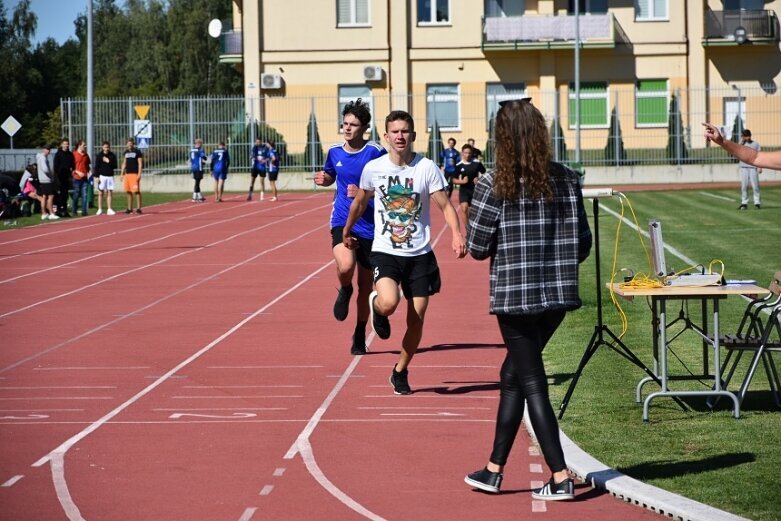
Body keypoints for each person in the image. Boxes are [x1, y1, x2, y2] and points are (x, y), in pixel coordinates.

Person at [463, 99, 592, 501]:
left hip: (516, 299)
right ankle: (493, 469)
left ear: (502, 138)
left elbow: (478, 247)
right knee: (512, 377)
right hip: (557, 298)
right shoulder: (568, 179)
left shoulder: (493, 184)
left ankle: (558, 476)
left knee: (532, 382)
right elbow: (583, 244)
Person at [343, 110, 467, 394]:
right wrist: (347, 229)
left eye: (405, 131)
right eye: (394, 132)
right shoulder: (374, 168)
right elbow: (361, 201)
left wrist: (457, 234)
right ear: (386, 137)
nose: (400, 136)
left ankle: (400, 370)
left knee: (416, 320)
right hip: (386, 250)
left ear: (412, 135)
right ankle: (378, 308)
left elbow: (446, 206)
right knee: (389, 302)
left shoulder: (426, 168)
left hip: (420, 254)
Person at [314, 98, 387, 355]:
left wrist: (365, 194)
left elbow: (390, 189)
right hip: (343, 221)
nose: (347, 128)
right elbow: (331, 174)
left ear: (364, 128)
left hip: (371, 226)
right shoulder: (334, 151)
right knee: (345, 266)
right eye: (345, 123)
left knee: (367, 288)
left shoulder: (376, 152)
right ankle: (345, 288)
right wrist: (324, 179)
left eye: (353, 124)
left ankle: (359, 332)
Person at [451, 143, 485, 226]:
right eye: (465, 153)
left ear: (472, 153)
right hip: (464, 190)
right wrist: (461, 182)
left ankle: (474, 226)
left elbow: (485, 174)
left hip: (475, 189)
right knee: (464, 208)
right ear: (462, 153)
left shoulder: (477, 163)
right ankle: (468, 229)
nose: (467, 155)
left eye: (469, 153)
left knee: (474, 211)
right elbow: (453, 179)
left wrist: (479, 179)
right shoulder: (459, 165)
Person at [120, 138, 144, 214]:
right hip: (127, 174)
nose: (130, 145)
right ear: (127, 144)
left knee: (136, 191)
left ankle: (139, 208)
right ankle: (129, 208)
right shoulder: (126, 153)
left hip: (135, 174)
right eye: (128, 143)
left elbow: (140, 163)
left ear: (133, 144)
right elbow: (124, 163)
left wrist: (139, 174)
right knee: (128, 191)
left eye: (131, 143)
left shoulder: (137, 152)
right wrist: (122, 173)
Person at [94, 141, 118, 215]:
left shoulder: (112, 155)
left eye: (107, 147)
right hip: (102, 176)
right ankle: (100, 209)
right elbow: (96, 167)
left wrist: (108, 161)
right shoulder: (99, 155)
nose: (106, 149)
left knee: (109, 192)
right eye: (105, 147)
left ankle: (109, 208)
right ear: (102, 147)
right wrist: (96, 176)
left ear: (109, 147)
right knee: (100, 192)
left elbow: (115, 166)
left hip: (110, 176)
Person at [53, 138, 74, 217]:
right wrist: (56, 178)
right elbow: (55, 167)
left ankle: (65, 210)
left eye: (67, 144)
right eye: (65, 144)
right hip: (59, 177)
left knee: (65, 195)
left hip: (67, 177)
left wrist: (72, 172)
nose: (66, 145)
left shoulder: (70, 154)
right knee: (60, 195)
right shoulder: (58, 154)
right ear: (61, 145)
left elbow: (73, 165)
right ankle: (58, 210)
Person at [36, 144, 58, 220]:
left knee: (44, 197)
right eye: (47, 149)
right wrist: (50, 174)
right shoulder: (43, 158)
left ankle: (44, 213)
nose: (48, 151)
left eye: (49, 149)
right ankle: (51, 213)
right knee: (51, 196)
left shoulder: (41, 157)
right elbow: (45, 169)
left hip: (43, 180)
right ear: (43, 149)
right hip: (46, 180)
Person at [71, 139, 91, 216]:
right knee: (76, 195)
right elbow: (71, 167)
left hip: (85, 178)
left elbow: (87, 165)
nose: (85, 147)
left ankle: (84, 211)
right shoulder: (74, 154)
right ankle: (74, 211)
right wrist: (77, 172)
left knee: (85, 195)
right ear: (79, 145)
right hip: (76, 178)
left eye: (85, 145)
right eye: (83, 145)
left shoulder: (86, 155)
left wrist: (89, 172)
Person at [190, 138, 208, 202]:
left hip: (193, 167)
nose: (202, 145)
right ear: (199, 144)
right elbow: (204, 157)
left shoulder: (192, 150)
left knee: (197, 181)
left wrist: (201, 162)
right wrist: (205, 158)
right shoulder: (199, 150)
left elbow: (193, 159)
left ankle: (199, 196)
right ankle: (194, 197)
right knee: (197, 182)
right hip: (198, 168)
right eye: (201, 144)